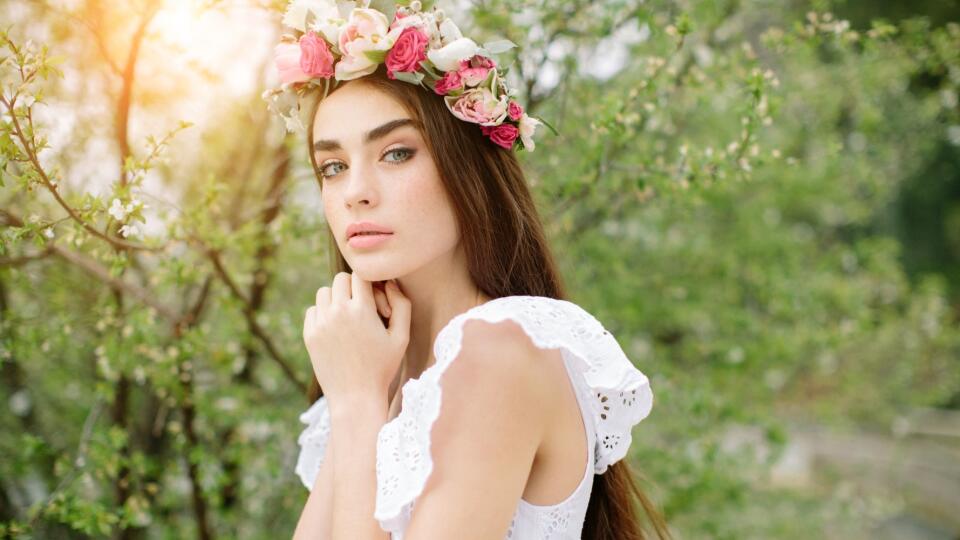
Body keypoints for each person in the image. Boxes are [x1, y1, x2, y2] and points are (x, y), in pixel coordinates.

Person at [265, 2, 670, 538]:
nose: (355, 194)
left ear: (467, 168)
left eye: (396, 154)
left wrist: (360, 405)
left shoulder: (498, 351)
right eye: (333, 168)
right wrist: (358, 398)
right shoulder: (374, 367)